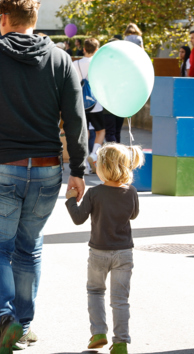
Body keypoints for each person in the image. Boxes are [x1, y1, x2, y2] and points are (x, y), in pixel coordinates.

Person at [0, 0, 88, 352]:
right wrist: (78, 168)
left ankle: (4, 320)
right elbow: (76, 119)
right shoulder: (60, 59)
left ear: (3, 18)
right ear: (34, 20)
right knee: (29, 248)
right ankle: (25, 325)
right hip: (47, 168)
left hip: (1, 166)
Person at [65, 144, 142, 354]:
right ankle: (120, 343)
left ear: (102, 167)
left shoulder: (94, 193)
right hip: (124, 252)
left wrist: (71, 200)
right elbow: (133, 215)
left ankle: (98, 332)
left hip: (99, 251)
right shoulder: (131, 191)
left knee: (95, 291)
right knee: (120, 300)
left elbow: (78, 218)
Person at [75, 38, 106, 172]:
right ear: (97, 50)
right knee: (100, 131)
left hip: (80, 103)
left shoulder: (76, 63)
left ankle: (84, 165)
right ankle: (94, 154)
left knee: (84, 132)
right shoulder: (99, 64)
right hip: (96, 104)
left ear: (84, 49)